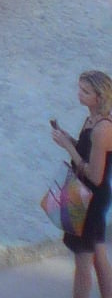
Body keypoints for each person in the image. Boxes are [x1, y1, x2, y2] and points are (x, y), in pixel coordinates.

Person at [50, 72, 112, 292]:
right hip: (94, 196)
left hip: (91, 199)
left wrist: (68, 147)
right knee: (99, 254)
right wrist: (71, 140)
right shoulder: (92, 119)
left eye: (85, 91)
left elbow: (94, 175)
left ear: (99, 97)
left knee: (84, 261)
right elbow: (88, 152)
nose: (79, 94)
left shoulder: (102, 129)